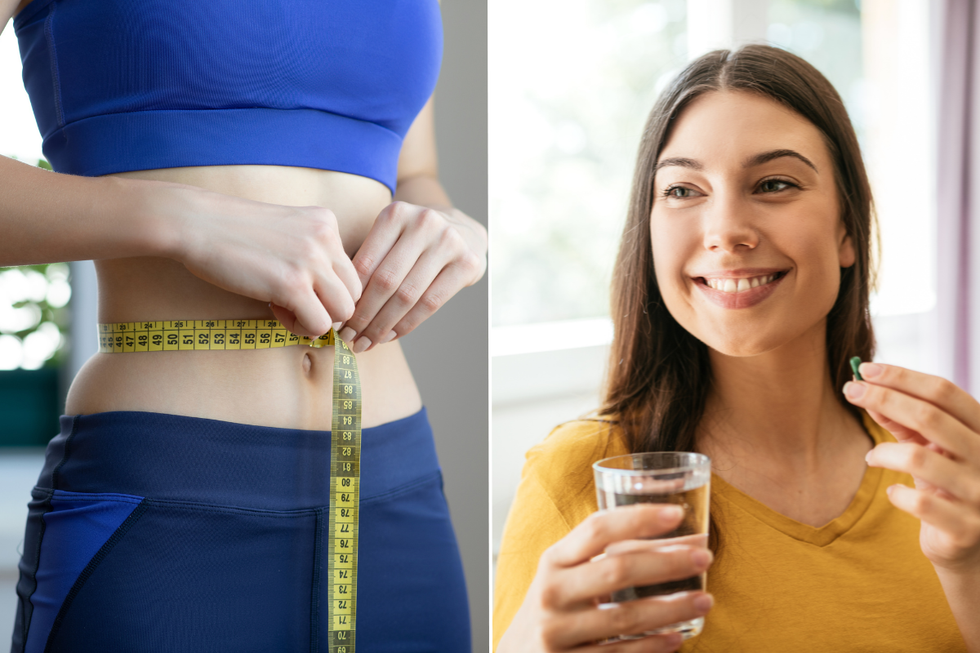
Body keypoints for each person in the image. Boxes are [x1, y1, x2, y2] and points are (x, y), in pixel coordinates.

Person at [3, 0, 485, 650]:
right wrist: (183, 220)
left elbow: (410, 172)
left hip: (397, 489)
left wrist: (453, 229)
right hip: (163, 490)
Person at [493, 45, 978, 652]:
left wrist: (970, 570)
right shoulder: (577, 478)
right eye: (681, 191)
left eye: (774, 183)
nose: (725, 230)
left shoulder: (948, 479)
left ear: (848, 229)